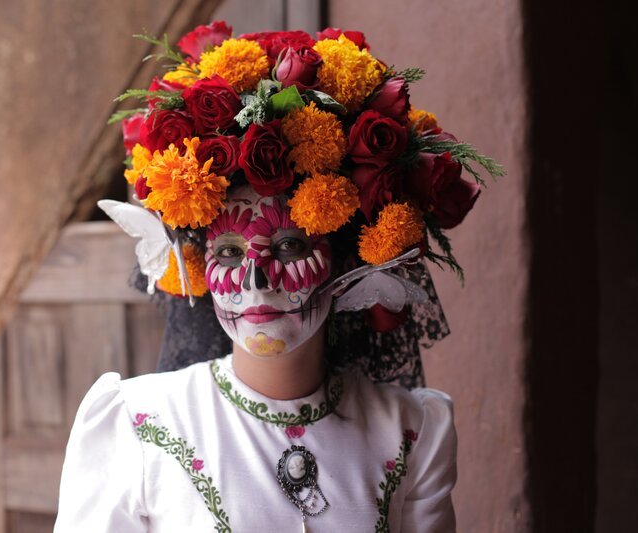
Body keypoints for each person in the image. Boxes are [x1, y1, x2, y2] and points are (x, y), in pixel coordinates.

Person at [54, 21, 502, 532]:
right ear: (198, 263)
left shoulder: (410, 431)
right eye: (227, 249)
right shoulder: (136, 424)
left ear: (344, 258)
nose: (256, 279)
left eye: (290, 244)